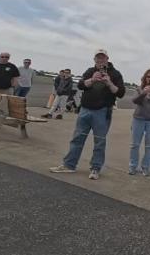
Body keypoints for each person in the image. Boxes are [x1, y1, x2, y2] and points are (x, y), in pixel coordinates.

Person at [49, 49, 125, 180]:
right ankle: (69, 165)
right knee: (77, 138)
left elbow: (120, 93)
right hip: (85, 109)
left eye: (103, 58)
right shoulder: (90, 71)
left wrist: (109, 82)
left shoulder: (115, 73)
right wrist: (92, 80)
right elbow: (80, 85)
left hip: (102, 112)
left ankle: (95, 168)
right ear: (94, 59)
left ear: (107, 58)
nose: (100, 60)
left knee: (99, 141)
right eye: (98, 58)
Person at [129, 69, 150, 176]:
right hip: (139, 119)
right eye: (148, 76)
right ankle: (132, 166)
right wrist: (143, 93)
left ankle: (145, 167)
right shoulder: (139, 88)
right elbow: (135, 101)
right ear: (145, 78)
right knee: (135, 144)